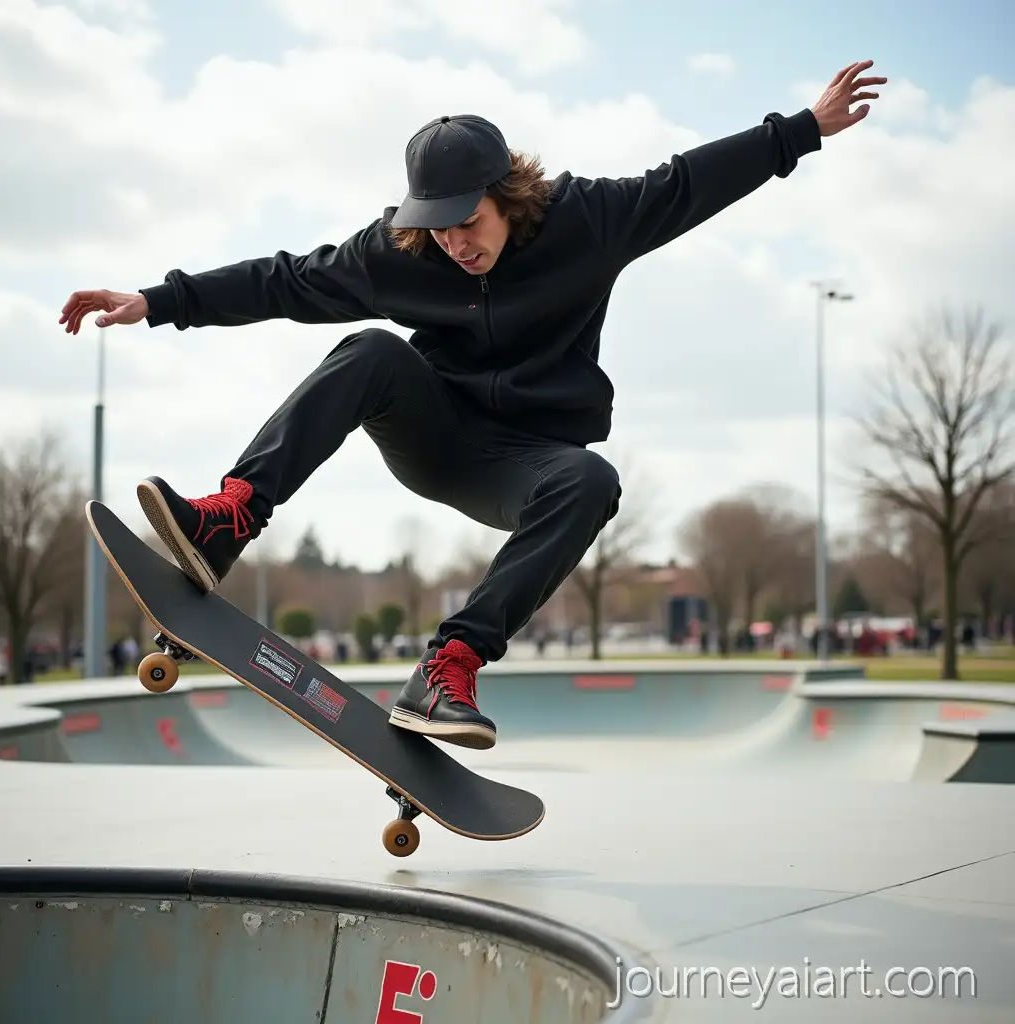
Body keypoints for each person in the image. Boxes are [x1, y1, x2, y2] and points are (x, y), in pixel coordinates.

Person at [59, 60, 886, 750]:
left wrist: (803, 128)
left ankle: (449, 664)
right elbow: (287, 279)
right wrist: (159, 300)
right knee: (371, 350)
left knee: (592, 482)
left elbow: (685, 186)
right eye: (440, 229)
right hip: (437, 436)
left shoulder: (587, 219)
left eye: (469, 222)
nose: (456, 243)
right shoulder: (399, 251)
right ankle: (228, 519)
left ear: (508, 194)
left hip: (524, 463)